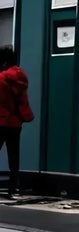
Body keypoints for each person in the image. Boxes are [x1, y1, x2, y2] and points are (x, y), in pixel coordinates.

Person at [0, 47, 34, 199]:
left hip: (1, 120)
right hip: (16, 123)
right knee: (14, 155)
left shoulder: (1, 78)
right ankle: (14, 187)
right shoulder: (21, 77)